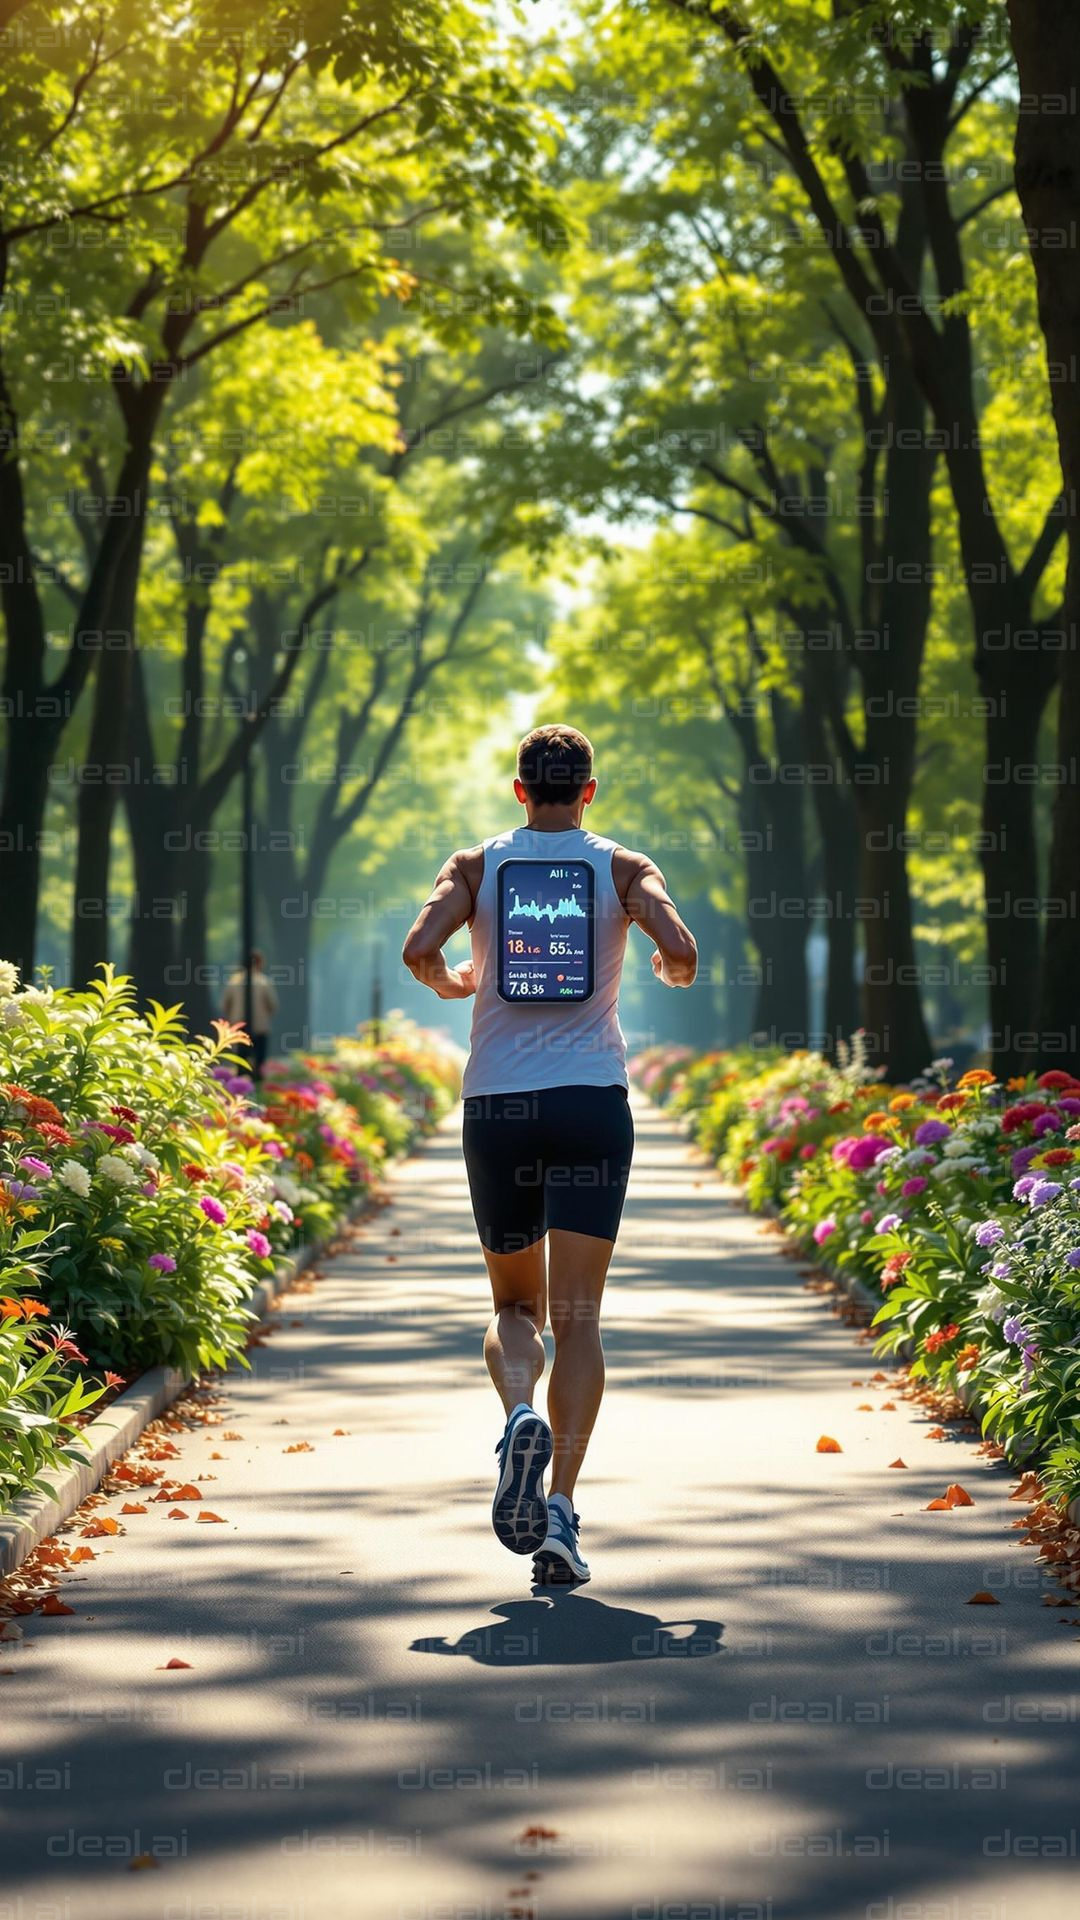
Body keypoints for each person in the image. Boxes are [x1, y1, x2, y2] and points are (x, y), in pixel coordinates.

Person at [402, 724, 697, 1586]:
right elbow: (680, 955)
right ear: (590, 792)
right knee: (580, 1319)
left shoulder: (473, 866)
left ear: (520, 791)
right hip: (591, 1105)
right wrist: (660, 960)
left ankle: (519, 1411)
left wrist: (458, 981)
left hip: (499, 1105)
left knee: (516, 1308)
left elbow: (423, 952)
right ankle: (561, 1514)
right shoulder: (623, 868)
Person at [221, 949, 279, 1082]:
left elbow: (224, 1005)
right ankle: (257, 1086)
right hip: (260, 1027)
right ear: (259, 963)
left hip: (239, 1026)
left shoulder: (233, 981)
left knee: (241, 1061)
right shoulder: (264, 982)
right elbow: (273, 1006)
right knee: (259, 1062)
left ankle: (240, 1086)